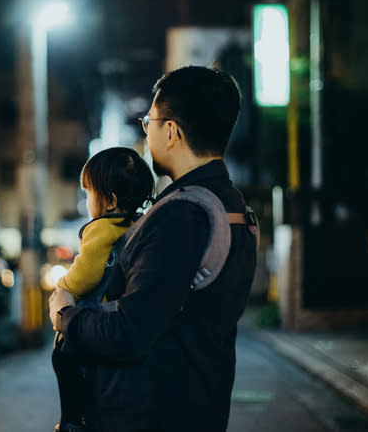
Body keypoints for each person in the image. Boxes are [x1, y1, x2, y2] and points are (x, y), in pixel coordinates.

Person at [49, 65, 258, 432]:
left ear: (172, 131)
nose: (146, 132)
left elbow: (130, 332)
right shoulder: (232, 206)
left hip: (147, 416)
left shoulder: (180, 216)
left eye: (150, 121)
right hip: (197, 408)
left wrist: (66, 315)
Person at [51, 146, 155, 432]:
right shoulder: (140, 227)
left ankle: (71, 421)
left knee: (63, 358)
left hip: (93, 315)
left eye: (88, 194)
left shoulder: (101, 230)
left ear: (108, 201)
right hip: (114, 319)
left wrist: (63, 288)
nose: (87, 202)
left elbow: (84, 276)